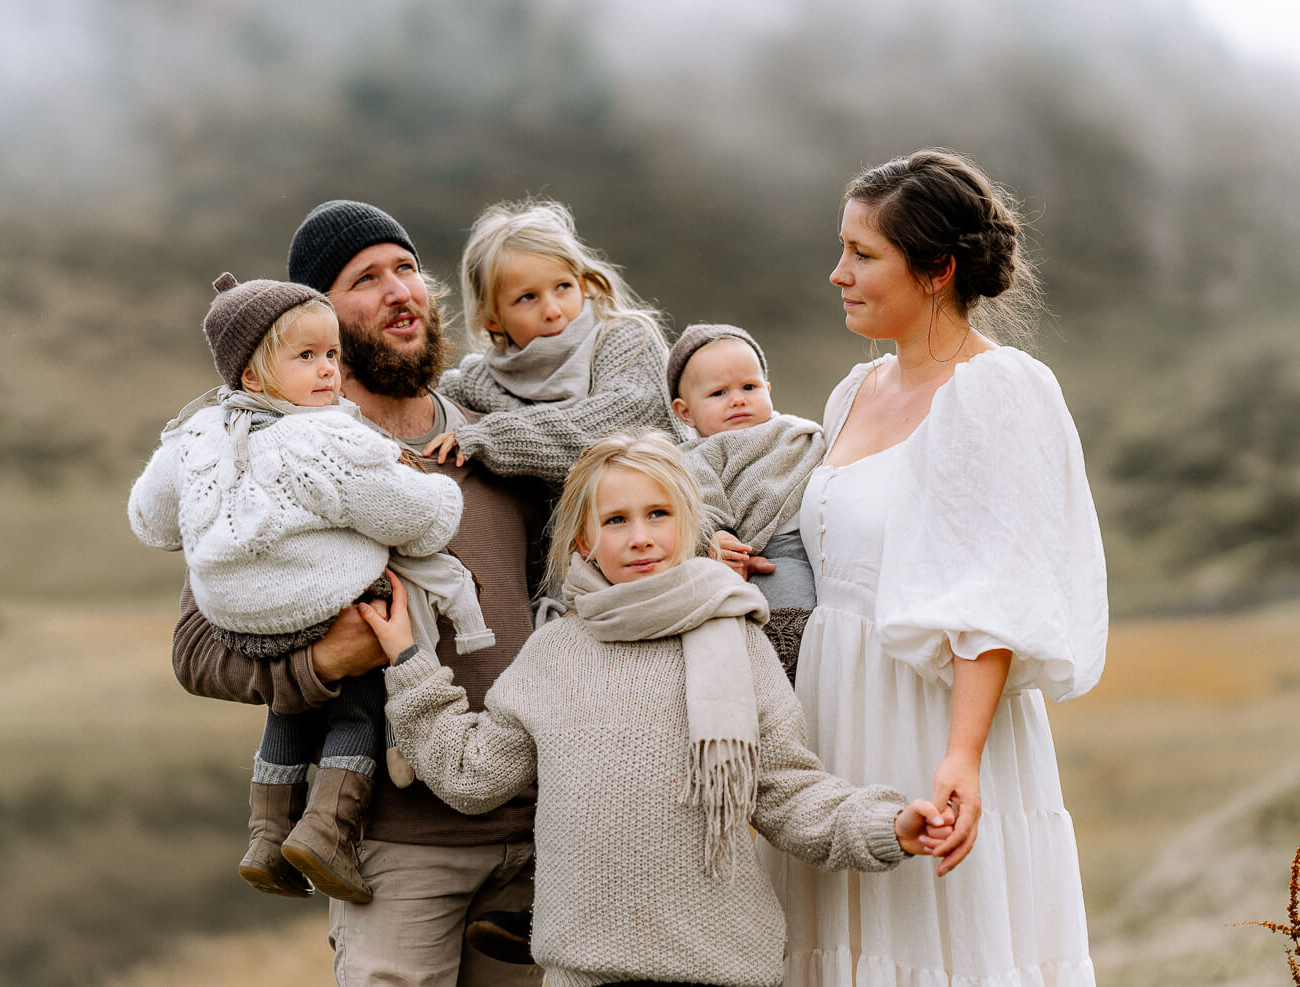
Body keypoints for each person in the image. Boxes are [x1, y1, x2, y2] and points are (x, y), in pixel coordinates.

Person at [361, 430, 951, 987]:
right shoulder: (554, 653)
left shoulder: (737, 638)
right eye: (616, 520)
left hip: (719, 968)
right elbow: (474, 776)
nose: (640, 537)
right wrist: (408, 660)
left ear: (687, 522)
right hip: (583, 970)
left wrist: (887, 825)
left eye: (658, 514)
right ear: (584, 540)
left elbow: (788, 793)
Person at [169, 201, 547, 987]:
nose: (399, 289)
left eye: (406, 268)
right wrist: (324, 662)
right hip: (395, 850)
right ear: (318, 322)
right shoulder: (277, 461)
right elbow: (197, 651)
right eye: (364, 279)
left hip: (540, 844)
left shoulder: (500, 438)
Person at [765, 150, 1108, 986]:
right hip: (829, 709)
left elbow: (998, 588)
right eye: (842, 249)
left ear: (937, 270)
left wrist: (960, 755)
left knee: (936, 950)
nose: (837, 273)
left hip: (929, 712)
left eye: (863, 254)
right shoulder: (854, 389)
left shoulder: (999, 391)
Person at [129, 273, 494, 906]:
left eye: (331, 354)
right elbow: (415, 518)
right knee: (360, 698)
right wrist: (440, 490)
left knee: (292, 703)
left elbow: (151, 522)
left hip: (242, 622)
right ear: (250, 376)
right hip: (326, 605)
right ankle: (325, 829)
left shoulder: (195, 433)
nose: (328, 371)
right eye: (306, 358)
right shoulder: (324, 437)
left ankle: (268, 834)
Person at [422, 197, 685, 484]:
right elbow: (416, 402)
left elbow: (612, 430)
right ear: (493, 319)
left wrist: (493, 437)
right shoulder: (480, 380)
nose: (552, 311)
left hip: (659, 507)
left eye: (562, 287)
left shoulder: (626, 338)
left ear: (582, 284)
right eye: (527, 298)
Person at [666, 322, 826, 682]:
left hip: (818, 539)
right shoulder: (695, 455)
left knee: (825, 613)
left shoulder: (797, 432)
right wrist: (718, 536)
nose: (738, 399)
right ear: (685, 412)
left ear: (768, 390)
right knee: (781, 601)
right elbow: (699, 501)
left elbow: (830, 462)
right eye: (719, 393)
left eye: (749, 387)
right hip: (763, 552)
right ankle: (782, 672)